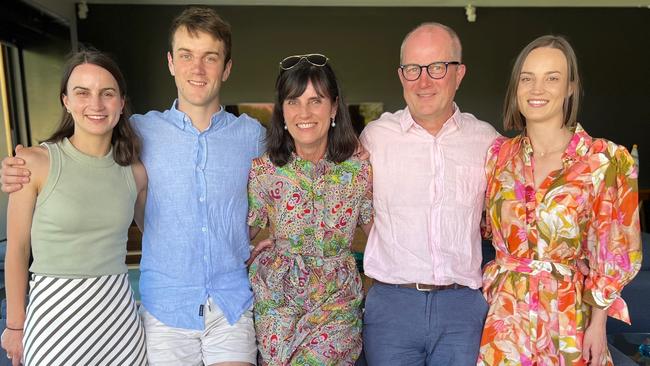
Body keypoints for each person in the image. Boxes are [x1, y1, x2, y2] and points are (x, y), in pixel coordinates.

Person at [1, 7, 263, 365]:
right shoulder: (141, 132)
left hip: (225, 305)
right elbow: (79, 157)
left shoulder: (252, 136)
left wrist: (261, 235)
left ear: (227, 67)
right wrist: (16, 167)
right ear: (170, 62)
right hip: (161, 308)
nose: (197, 69)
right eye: (186, 55)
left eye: (210, 58)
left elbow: (295, 175)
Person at [477, 35, 642, 366]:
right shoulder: (499, 156)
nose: (537, 89)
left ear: (570, 87)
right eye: (527, 78)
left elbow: (614, 250)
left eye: (552, 78)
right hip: (506, 318)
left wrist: (598, 324)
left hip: (569, 318)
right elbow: (483, 226)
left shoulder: (603, 160)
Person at [359, 23, 498, 365]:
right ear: (401, 75)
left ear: (459, 73)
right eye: (412, 69)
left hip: (462, 309)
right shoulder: (374, 139)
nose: (423, 81)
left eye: (437, 68)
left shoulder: (487, 141)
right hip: (392, 306)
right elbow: (344, 204)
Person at [0, 50, 147, 366]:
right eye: (82, 93)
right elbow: (17, 250)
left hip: (120, 322)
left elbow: (161, 234)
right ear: (66, 100)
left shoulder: (134, 172)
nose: (95, 104)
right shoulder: (35, 163)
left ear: (121, 103)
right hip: (54, 318)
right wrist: (15, 324)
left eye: (107, 94)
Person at [246, 54, 372, 365]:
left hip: (336, 303)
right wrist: (255, 248)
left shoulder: (359, 171)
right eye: (293, 101)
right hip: (277, 302)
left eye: (315, 100)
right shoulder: (264, 170)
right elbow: (239, 234)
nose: (304, 112)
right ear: (283, 112)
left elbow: (380, 234)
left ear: (333, 107)